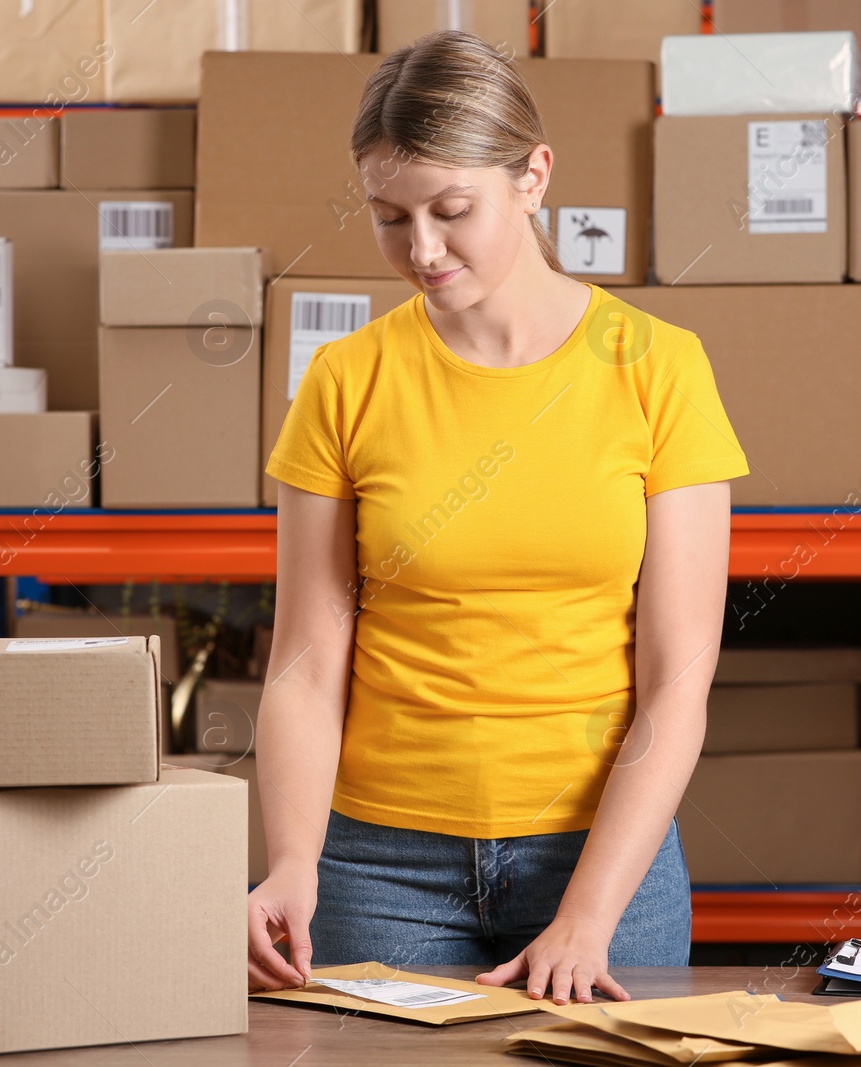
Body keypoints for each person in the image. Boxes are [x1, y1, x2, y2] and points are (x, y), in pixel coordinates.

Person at [246, 30, 749, 1007]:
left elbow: (675, 684)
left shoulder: (656, 369)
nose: (421, 249)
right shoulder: (346, 380)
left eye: (452, 209)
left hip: (605, 861)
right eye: (389, 217)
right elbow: (305, 665)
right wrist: (292, 860)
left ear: (533, 177)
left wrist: (589, 911)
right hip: (374, 869)